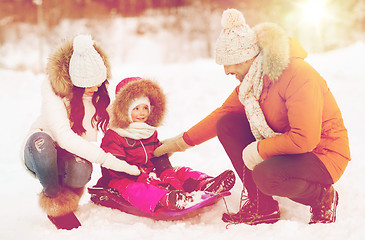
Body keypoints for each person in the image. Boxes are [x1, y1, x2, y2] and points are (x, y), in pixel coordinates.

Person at [153, 9, 350, 225]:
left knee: (267, 176)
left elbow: (305, 139)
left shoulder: (298, 74)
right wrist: (175, 144)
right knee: (227, 124)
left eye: (230, 63)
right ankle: (261, 206)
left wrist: (259, 150)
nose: (227, 71)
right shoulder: (252, 84)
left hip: (323, 153)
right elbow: (222, 115)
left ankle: (322, 197)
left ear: (247, 58)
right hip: (291, 148)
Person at [22, 35, 140, 230]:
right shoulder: (53, 91)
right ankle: (55, 202)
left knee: (82, 170)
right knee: (41, 143)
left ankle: (68, 195)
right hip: (39, 152)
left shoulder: (97, 97)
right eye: (89, 83)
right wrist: (113, 163)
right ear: (76, 82)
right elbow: (64, 137)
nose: (95, 87)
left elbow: (121, 123)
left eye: (98, 82)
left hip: (67, 157)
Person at [96, 77, 235, 214]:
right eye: (136, 108)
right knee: (137, 189)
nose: (142, 113)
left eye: (145, 107)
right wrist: (145, 178)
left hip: (148, 172)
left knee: (181, 171)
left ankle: (206, 183)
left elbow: (158, 157)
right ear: (124, 111)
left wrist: (170, 179)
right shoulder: (114, 134)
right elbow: (116, 167)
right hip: (123, 178)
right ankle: (166, 199)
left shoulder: (148, 131)